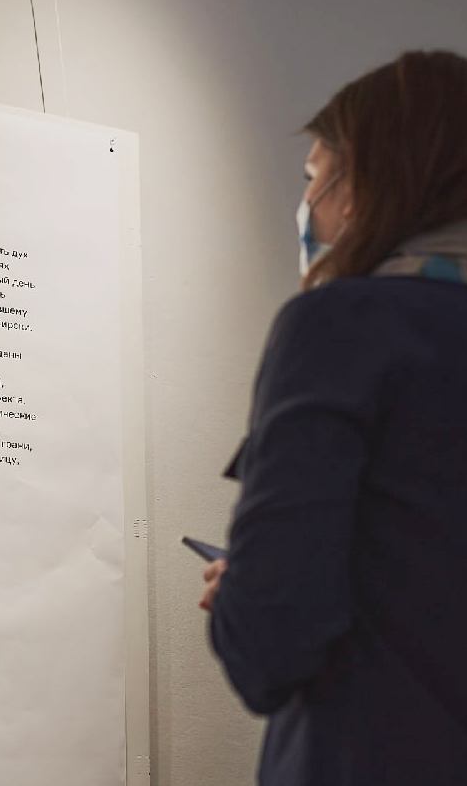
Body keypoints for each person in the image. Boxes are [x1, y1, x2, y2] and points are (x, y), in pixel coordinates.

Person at [200, 49, 467, 785]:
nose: (309, 204)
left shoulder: (342, 329)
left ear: (364, 186)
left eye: (314, 177)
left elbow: (270, 645)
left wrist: (245, 593)